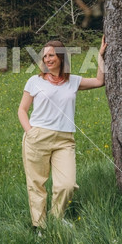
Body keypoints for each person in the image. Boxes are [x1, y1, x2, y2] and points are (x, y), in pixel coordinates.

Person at [18, 36, 107, 230]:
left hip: (64, 139)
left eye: (51, 55)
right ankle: (40, 227)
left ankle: (56, 219)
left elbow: (100, 81)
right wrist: (30, 132)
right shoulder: (34, 81)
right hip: (37, 137)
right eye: (44, 56)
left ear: (60, 57)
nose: (47, 59)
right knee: (37, 185)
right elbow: (22, 110)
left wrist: (100, 55)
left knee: (67, 184)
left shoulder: (73, 81)